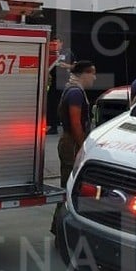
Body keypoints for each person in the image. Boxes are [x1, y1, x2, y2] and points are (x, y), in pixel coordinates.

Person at [51, 60, 96, 237]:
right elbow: (76, 123)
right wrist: (82, 146)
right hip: (71, 143)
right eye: (92, 73)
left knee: (68, 187)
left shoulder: (73, 89)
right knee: (69, 188)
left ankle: (58, 228)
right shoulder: (76, 93)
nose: (94, 77)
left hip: (70, 142)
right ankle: (61, 230)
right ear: (84, 74)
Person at [45, 38, 74, 135]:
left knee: (65, 105)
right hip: (54, 84)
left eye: (56, 43)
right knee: (52, 104)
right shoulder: (49, 53)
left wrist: (63, 65)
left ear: (61, 43)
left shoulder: (67, 52)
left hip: (64, 83)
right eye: (53, 43)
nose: (55, 45)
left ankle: (68, 126)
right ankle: (53, 126)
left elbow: (74, 66)